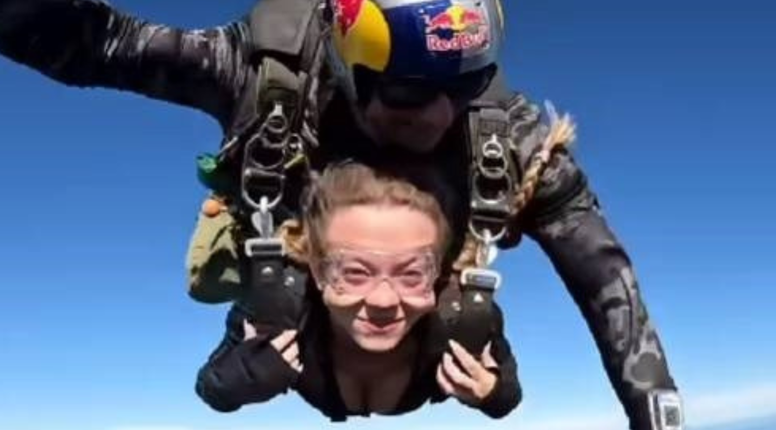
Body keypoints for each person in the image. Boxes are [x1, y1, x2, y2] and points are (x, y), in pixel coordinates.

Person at [0, 1, 684, 428]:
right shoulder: (267, 77)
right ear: (344, 61)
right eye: (409, 92)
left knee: (468, 322)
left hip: (421, 348)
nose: (437, 116)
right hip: (301, 328)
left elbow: (606, 282)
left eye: (463, 87)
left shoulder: (508, 135)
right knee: (278, 299)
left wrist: (658, 417)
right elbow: (100, 43)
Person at [195, 161, 520, 420]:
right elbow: (211, 386)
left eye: (411, 273)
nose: (383, 300)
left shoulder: (462, 318)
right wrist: (241, 378)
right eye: (354, 272)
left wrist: (491, 392)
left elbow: (507, 394)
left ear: (437, 275)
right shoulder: (279, 306)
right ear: (318, 271)